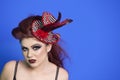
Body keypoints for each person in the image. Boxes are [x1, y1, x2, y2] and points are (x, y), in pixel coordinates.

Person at [0, 11, 72, 80]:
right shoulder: (10, 69)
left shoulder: (60, 75)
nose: (29, 55)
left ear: (48, 46)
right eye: (25, 49)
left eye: (35, 48)